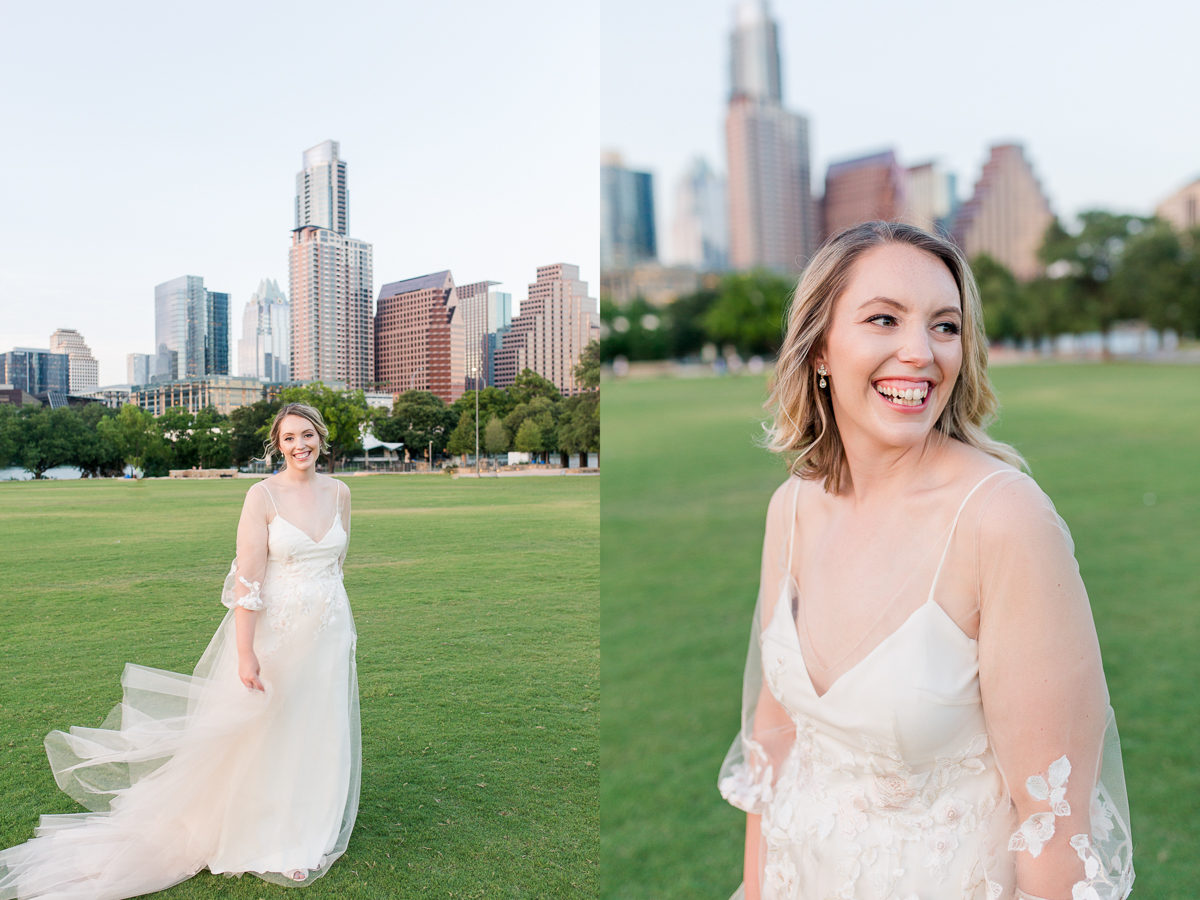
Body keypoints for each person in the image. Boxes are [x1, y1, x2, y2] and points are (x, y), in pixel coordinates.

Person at [717, 223, 1133, 900]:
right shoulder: (791, 509)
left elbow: (1053, 825)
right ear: (820, 347)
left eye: (945, 326)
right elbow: (775, 745)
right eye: (884, 319)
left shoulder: (1005, 520)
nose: (920, 352)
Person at [0, 402, 361, 898]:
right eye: (288, 438)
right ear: (277, 446)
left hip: (331, 632)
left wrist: (335, 621)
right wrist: (245, 653)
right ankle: (272, 835)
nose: (300, 445)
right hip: (275, 635)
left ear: (321, 437)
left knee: (318, 728)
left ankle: (311, 823)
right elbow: (248, 584)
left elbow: (338, 563)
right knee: (271, 732)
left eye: (307, 435)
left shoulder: (340, 493)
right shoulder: (262, 496)